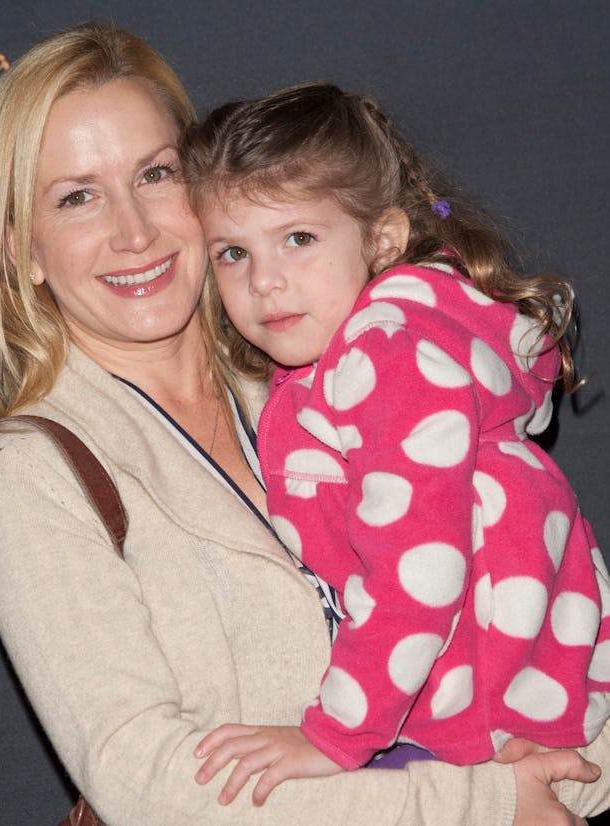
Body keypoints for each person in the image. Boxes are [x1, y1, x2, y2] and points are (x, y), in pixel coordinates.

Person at [0, 22, 609, 826]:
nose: (134, 230)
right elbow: (151, 785)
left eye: (155, 175)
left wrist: (568, 777)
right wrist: (483, 802)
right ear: (24, 251)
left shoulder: (334, 371)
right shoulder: (34, 468)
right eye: (77, 196)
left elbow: (553, 620)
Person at [179, 83, 610, 803]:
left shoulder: (388, 358)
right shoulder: (360, 344)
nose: (265, 281)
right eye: (232, 252)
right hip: (489, 677)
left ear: (381, 238)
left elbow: (418, 569)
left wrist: (334, 736)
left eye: (298, 239)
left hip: (486, 692)